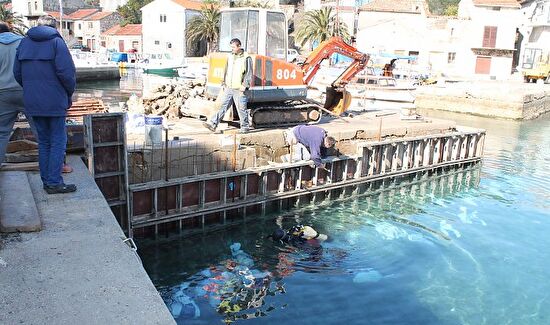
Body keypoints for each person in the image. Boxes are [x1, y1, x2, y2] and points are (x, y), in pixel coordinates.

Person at [14, 15, 77, 194]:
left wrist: (31, 90)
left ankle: (47, 181)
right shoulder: (57, 43)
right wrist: (68, 93)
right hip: (55, 100)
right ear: (55, 27)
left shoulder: (24, 43)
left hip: (33, 101)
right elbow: (67, 74)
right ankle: (55, 182)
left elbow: (17, 73)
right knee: (58, 141)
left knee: (44, 142)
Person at [203, 38, 252, 134]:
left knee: (241, 108)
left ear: (239, 46)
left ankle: (245, 127)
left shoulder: (246, 58)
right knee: (223, 106)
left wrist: (245, 85)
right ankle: (213, 124)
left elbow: (249, 72)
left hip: (239, 88)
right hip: (229, 87)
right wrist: (224, 81)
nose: (232, 49)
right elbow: (226, 69)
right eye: (231, 47)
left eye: (233, 47)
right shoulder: (230, 56)